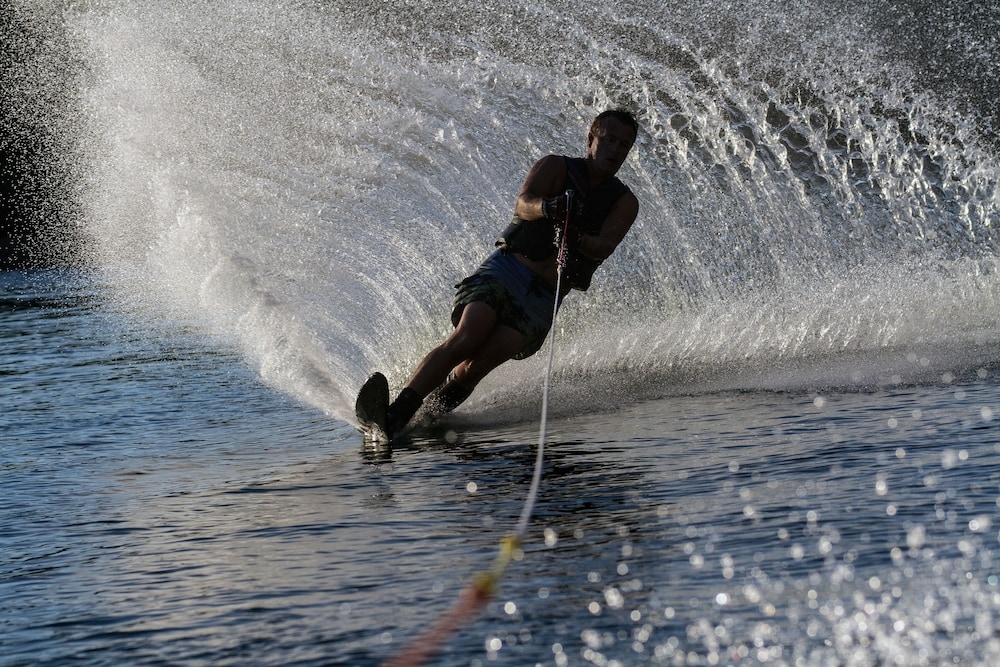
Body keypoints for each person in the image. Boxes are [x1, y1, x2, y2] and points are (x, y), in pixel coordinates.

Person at [382, 108, 640, 437]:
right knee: (467, 337)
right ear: (591, 139)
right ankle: (396, 415)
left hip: (543, 297)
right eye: (610, 140)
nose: (616, 150)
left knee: (479, 365)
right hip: (507, 270)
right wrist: (550, 208)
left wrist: (574, 236)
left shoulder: (625, 202)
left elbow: (603, 246)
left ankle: (429, 417)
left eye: (625, 145)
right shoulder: (555, 167)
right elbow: (524, 204)